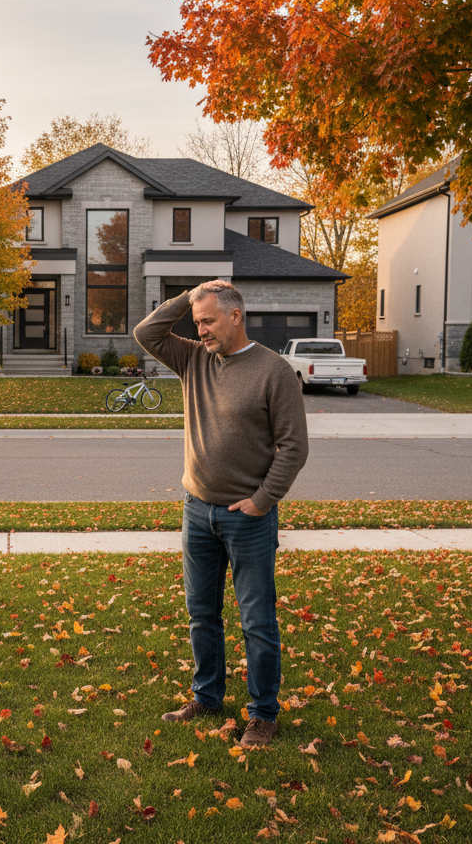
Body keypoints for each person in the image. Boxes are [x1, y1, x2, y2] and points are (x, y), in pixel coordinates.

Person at [134, 280, 308, 747]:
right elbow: (147, 332)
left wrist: (262, 500)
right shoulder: (195, 358)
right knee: (201, 614)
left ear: (236, 315)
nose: (201, 330)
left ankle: (263, 714)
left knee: (257, 621)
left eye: (208, 320)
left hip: (247, 518)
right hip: (197, 511)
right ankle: (207, 697)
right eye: (197, 322)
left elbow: (293, 447)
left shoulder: (274, 371)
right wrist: (190, 296)